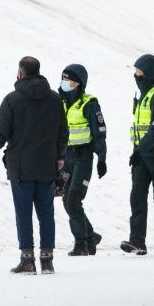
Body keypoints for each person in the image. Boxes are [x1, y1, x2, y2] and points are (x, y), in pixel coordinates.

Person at [0, 56, 69, 275]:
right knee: (46, 214)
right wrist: (60, 157)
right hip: (47, 168)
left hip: (21, 169)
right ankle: (47, 262)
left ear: (20, 73)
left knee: (24, 214)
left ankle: (28, 261)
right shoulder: (54, 99)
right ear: (38, 72)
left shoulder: (12, 100)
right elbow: (63, 132)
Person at [121, 54, 154, 256]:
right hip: (143, 157)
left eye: (139, 72)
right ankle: (137, 241)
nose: (135, 75)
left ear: (149, 73)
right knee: (137, 197)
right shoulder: (143, 96)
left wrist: (139, 150)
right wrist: (138, 151)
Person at [58, 64, 108, 256]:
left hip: (83, 157)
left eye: (68, 80)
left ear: (78, 83)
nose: (64, 83)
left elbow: (100, 133)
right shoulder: (61, 101)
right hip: (68, 156)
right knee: (66, 199)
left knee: (73, 199)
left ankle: (82, 244)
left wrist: (102, 159)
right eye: (63, 78)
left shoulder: (89, 103)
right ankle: (90, 236)